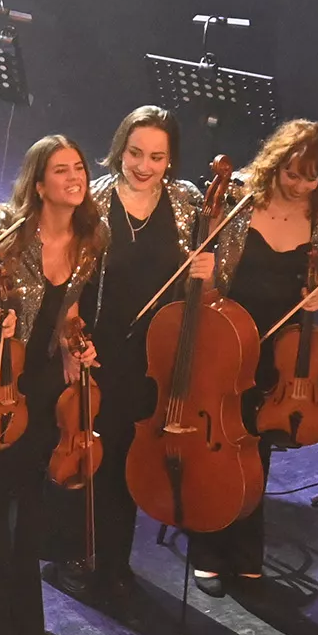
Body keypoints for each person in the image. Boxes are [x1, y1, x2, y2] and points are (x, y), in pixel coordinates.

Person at [186, 118, 318, 595]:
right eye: (292, 174)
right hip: (225, 337)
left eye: (311, 177)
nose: (300, 185)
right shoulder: (238, 198)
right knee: (214, 443)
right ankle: (208, 546)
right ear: (275, 165)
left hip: (279, 352)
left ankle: (246, 548)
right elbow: (204, 265)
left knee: (255, 451)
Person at [0, 135, 102, 635]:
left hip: (42, 380)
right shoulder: (5, 229)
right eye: (61, 169)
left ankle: (25, 617)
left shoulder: (90, 237)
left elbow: (69, 310)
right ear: (38, 183)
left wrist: (75, 345)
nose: (75, 177)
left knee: (31, 500)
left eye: (79, 167)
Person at [59, 106, 204, 604]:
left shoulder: (187, 202)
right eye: (135, 152)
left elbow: (208, 285)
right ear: (120, 147)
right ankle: (74, 552)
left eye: (157, 157)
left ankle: (115, 560)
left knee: (128, 458)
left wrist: (203, 268)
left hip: (158, 354)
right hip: (100, 348)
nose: (144, 165)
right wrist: (74, 338)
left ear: (171, 160)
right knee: (90, 451)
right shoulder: (94, 199)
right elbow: (69, 279)